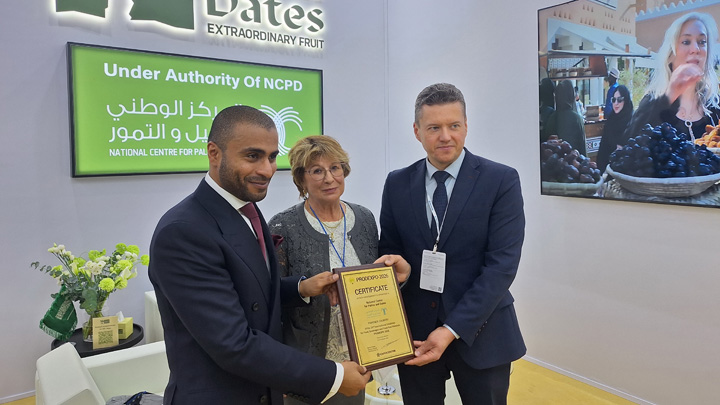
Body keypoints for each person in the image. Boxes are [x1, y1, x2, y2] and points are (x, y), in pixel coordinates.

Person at [148, 105, 370, 404]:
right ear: (214, 153)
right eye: (252, 156)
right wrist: (335, 376)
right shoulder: (183, 231)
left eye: (272, 157)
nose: (267, 170)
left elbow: (252, 294)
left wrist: (302, 288)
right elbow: (233, 343)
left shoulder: (246, 211)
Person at [378, 83, 526, 405]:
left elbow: (501, 267)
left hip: (483, 334)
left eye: (454, 126)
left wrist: (451, 329)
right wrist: (400, 271)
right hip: (416, 334)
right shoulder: (397, 183)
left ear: (466, 127)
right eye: (434, 128)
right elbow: (390, 250)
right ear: (417, 131)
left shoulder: (500, 180)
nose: (445, 136)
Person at [268, 135, 410, 405]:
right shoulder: (283, 226)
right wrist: (304, 288)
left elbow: (376, 282)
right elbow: (270, 296)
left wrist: (399, 277)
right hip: (307, 361)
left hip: (357, 358)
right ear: (301, 179)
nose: (329, 178)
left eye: (335, 168)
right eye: (317, 171)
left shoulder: (365, 219)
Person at [623, 12, 720, 141]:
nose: (695, 49)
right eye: (686, 42)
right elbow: (631, 145)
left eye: (702, 42)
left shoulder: (714, 105)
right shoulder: (652, 103)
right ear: (670, 55)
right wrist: (670, 95)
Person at [543, 79, 588, 155]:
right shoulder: (577, 118)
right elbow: (582, 147)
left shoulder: (551, 118)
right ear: (571, 96)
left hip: (555, 160)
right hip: (574, 159)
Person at [596, 85, 634, 173]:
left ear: (626, 100)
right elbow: (603, 147)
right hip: (608, 169)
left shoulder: (632, 121)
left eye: (619, 100)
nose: (616, 103)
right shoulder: (611, 120)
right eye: (613, 100)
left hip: (625, 171)